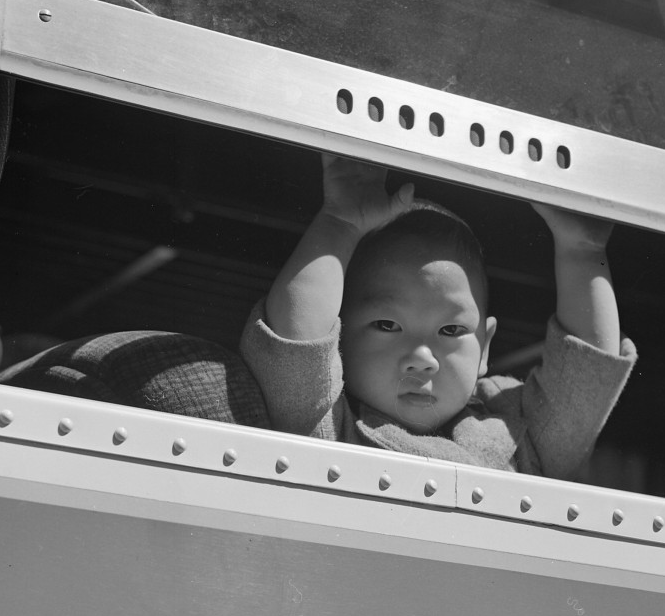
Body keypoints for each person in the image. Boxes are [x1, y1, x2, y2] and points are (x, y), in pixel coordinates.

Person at [239, 154, 636, 478]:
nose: (423, 358)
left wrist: (583, 251)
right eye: (387, 325)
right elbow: (297, 343)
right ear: (337, 339)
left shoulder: (515, 434)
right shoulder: (327, 425)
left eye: (451, 329)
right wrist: (338, 223)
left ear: (485, 350)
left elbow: (583, 381)